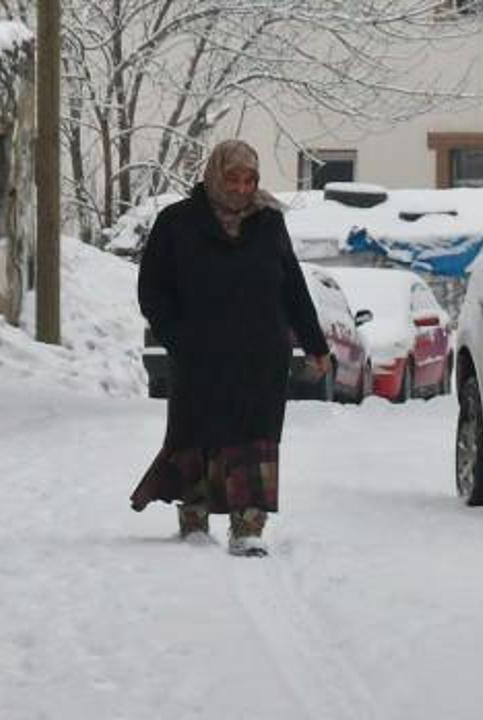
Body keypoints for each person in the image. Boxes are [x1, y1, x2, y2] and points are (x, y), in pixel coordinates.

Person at [130, 139, 331, 557]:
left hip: (261, 355)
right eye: (233, 179)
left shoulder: (269, 223)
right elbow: (152, 290)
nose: (241, 188)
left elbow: (292, 288)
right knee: (195, 433)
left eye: (249, 180)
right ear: (215, 176)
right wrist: (176, 337)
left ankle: (248, 524)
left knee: (255, 439)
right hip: (198, 354)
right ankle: (195, 515)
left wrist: (315, 344)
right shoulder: (178, 222)